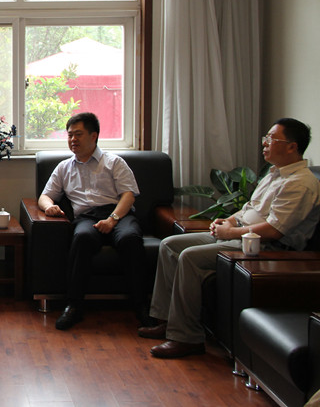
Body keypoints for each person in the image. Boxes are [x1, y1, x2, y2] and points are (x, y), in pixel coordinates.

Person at [141, 118, 320, 358]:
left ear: (292, 146)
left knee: (190, 257)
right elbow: (249, 208)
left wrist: (230, 232)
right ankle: (166, 320)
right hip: (242, 235)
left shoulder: (301, 183)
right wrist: (228, 221)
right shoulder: (274, 173)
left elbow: (274, 230)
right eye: (265, 138)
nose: (264, 143)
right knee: (170, 245)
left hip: (266, 247)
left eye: (271, 139)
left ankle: (186, 337)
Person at [38, 112, 152, 330]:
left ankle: (141, 306)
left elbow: (128, 195)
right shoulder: (64, 167)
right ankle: (73, 306)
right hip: (86, 217)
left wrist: (112, 219)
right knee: (81, 238)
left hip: (119, 214)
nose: (73, 139)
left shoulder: (114, 162)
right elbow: (45, 195)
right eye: (70, 135)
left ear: (94, 136)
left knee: (130, 239)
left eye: (78, 134)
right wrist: (49, 206)